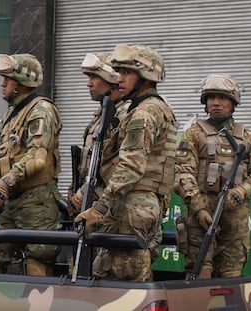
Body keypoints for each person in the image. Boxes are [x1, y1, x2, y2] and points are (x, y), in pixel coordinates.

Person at [75, 43, 178, 281]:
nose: (119, 79)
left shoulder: (144, 113)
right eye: (119, 72)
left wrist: (99, 209)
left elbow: (131, 167)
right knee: (110, 275)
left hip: (131, 205)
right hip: (136, 204)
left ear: (145, 76)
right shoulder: (148, 108)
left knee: (124, 283)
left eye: (127, 73)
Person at [174, 73, 251, 279]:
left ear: (233, 102)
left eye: (222, 98)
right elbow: (183, 173)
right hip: (201, 217)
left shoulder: (248, 137)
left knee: (230, 280)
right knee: (200, 274)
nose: (216, 103)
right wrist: (198, 208)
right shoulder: (193, 134)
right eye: (210, 98)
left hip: (235, 218)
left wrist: (241, 191)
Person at [0, 53, 62, 276]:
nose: (2, 83)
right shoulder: (10, 114)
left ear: (23, 83)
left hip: (37, 201)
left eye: (8, 79)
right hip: (13, 202)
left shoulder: (40, 110)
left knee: (39, 259)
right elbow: (9, 155)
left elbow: (36, 159)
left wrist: (3, 184)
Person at [67, 52, 128, 219]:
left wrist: (83, 194)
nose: (89, 84)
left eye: (94, 77)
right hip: (91, 204)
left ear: (111, 79)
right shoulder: (100, 116)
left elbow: (120, 169)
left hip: (110, 209)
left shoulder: (123, 116)